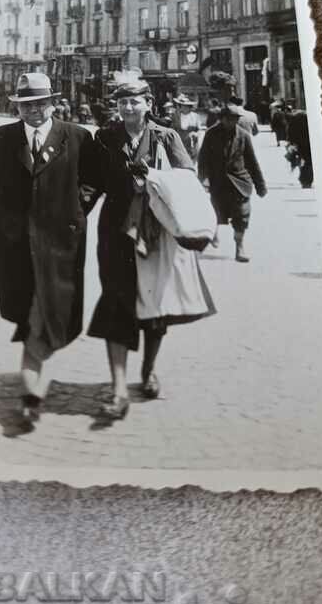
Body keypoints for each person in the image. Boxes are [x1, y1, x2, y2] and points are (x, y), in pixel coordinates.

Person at [87, 78, 215, 420]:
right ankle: (117, 390)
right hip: (115, 232)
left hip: (156, 233)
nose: (129, 108)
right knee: (116, 303)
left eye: (135, 102)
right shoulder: (104, 138)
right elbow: (91, 183)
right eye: (123, 102)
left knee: (155, 306)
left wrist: (156, 177)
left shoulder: (166, 136)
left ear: (148, 104)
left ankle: (148, 370)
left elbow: (188, 179)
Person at [0, 72, 97, 427]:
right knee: (31, 308)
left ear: (53, 103)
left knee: (50, 309)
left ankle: (31, 387)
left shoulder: (77, 137)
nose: (33, 111)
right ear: (17, 107)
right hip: (17, 242)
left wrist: (76, 210)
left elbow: (93, 179)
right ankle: (31, 388)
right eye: (26, 106)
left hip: (61, 241)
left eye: (40, 104)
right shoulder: (0, 138)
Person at [197, 104, 267, 262]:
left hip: (240, 183)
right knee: (216, 213)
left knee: (242, 216)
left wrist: (260, 185)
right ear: (221, 119)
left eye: (235, 119)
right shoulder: (211, 134)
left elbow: (252, 162)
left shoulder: (243, 136)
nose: (232, 122)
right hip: (218, 183)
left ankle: (239, 247)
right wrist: (204, 179)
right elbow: (203, 159)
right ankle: (213, 232)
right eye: (229, 119)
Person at [172, 93, 201, 161]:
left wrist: (196, 134)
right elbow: (173, 129)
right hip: (180, 142)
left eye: (186, 106)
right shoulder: (176, 116)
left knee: (192, 161)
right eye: (182, 106)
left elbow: (199, 130)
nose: (184, 107)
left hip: (192, 143)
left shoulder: (195, 116)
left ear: (190, 107)